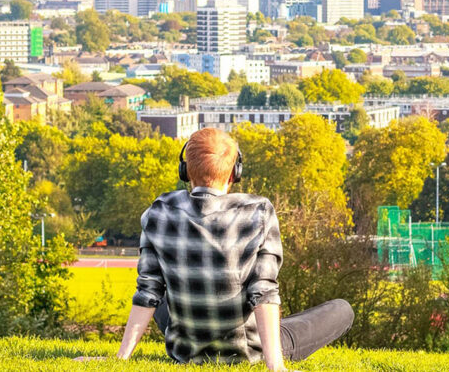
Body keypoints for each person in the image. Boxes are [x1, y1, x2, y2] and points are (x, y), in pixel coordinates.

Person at [114, 128, 354, 369]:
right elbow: (264, 292)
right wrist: (276, 366)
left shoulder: (160, 210)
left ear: (186, 171)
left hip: (186, 350)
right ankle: (271, 347)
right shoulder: (257, 211)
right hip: (246, 350)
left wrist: (121, 359)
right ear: (234, 173)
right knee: (342, 310)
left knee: (160, 292)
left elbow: (148, 291)